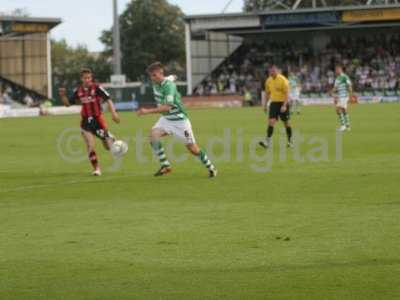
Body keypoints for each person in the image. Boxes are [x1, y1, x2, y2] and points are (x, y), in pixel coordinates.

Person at [137, 62, 217, 178]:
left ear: (160, 73)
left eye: (154, 75)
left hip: (180, 122)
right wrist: (174, 77)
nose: (152, 78)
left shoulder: (169, 86)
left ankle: (211, 168)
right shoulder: (160, 81)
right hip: (166, 119)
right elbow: (173, 76)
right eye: (151, 76)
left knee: (193, 149)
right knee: (153, 136)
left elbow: (167, 107)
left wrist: (146, 112)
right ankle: (166, 165)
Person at [58, 68, 121, 176]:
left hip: (98, 120)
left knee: (107, 146)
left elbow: (108, 99)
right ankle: (96, 168)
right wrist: (63, 96)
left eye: (89, 78)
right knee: (90, 144)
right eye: (85, 78)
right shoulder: (78, 91)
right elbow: (68, 104)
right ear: (81, 79)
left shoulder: (97, 88)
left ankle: (110, 138)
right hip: (86, 122)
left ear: (91, 78)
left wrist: (114, 113)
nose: (87, 80)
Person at [259, 65, 293, 149]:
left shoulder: (283, 80)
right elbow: (267, 93)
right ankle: (267, 142)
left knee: (286, 123)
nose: (271, 73)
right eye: (270, 71)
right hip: (274, 103)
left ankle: (290, 141)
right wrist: (265, 105)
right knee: (271, 122)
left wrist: (284, 105)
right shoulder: (268, 81)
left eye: (273, 71)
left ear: (277, 71)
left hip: (283, 103)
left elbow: (287, 94)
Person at [331, 65, 352, 132]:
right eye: (336, 70)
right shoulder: (337, 78)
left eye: (337, 70)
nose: (336, 71)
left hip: (344, 96)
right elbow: (336, 87)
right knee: (343, 110)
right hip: (340, 96)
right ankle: (348, 126)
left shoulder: (344, 76)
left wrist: (350, 92)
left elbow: (349, 85)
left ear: (340, 70)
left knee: (338, 109)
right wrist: (332, 92)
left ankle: (343, 126)